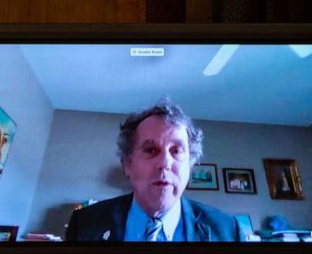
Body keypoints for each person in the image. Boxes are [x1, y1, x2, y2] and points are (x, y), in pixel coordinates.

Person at [65, 100, 242, 242]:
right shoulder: (84, 223)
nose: (165, 163)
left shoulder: (228, 230)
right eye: (150, 150)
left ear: (189, 164)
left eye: (176, 151)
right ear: (128, 164)